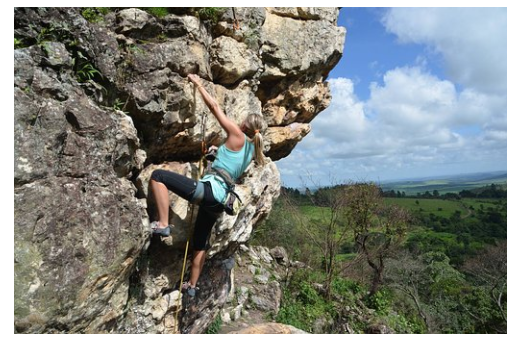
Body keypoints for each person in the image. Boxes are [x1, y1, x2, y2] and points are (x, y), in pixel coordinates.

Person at [149, 73, 267, 297]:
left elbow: (214, 107)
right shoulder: (252, 151)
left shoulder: (237, 134)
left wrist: (198, 83)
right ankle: (192, 286)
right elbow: (229, 167)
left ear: (245, 124)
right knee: (200, 243)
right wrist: (215, 156)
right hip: (219, 202)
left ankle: (163, 223)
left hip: (210, 191)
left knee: (158, 176)